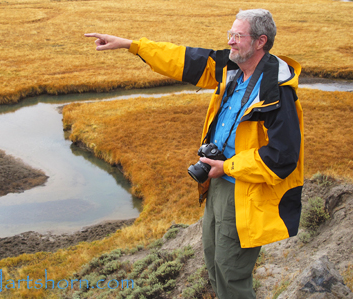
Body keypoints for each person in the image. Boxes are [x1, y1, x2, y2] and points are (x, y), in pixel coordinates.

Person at [85, 8, 303, 299]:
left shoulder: (276, 89)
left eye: (237, 36)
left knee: (231, 273)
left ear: (260, 41)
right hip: (217, 183)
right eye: (230, 35)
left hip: (244, 191)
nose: (230, 42)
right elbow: (181, 59)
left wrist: (227, 168)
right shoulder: (232, 68)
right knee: (214, 264)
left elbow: (282, 157)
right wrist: (130, 44)